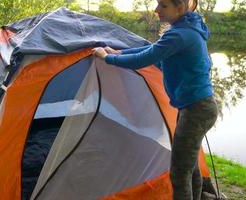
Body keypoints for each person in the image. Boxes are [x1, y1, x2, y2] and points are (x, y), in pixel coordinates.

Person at [92, 0, 218, 199]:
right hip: (198, 107)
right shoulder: (188, 29)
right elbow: (153, 53)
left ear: (180, 7)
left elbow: (144, 58)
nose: (156, 9)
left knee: (179, 172)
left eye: (163, 5)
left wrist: (107, 58)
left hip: (196, 111)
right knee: (190, 166)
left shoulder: (178, 35)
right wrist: (120, 52)